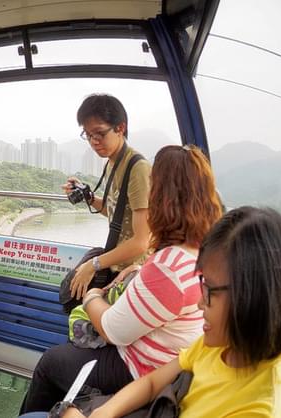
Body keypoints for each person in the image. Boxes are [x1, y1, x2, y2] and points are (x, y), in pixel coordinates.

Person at [21, 145, 223, 414]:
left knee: (52, 362)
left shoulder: (169, 267)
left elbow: (111, 330)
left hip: (141, 367)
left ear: (162, 197)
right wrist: (140, 271)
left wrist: (94, 295)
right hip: (170, 365)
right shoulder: (205, 250)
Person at [66, 206, 281, 418]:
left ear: (252, 297)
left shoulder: (259, 408)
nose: (200, 304)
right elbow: (152, 383)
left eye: (210, 290)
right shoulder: (219, 346)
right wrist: (106, 412)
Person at [63, 94, 152, 301]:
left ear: (120, 128)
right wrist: (89, 197)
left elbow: (141, 242)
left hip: (132, 273)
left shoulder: (137, 168)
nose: (94, 142)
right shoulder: (112, 161)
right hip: (116, 264)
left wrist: (93, 265)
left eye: (99, 134)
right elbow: (116, 213)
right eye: (88, 135)